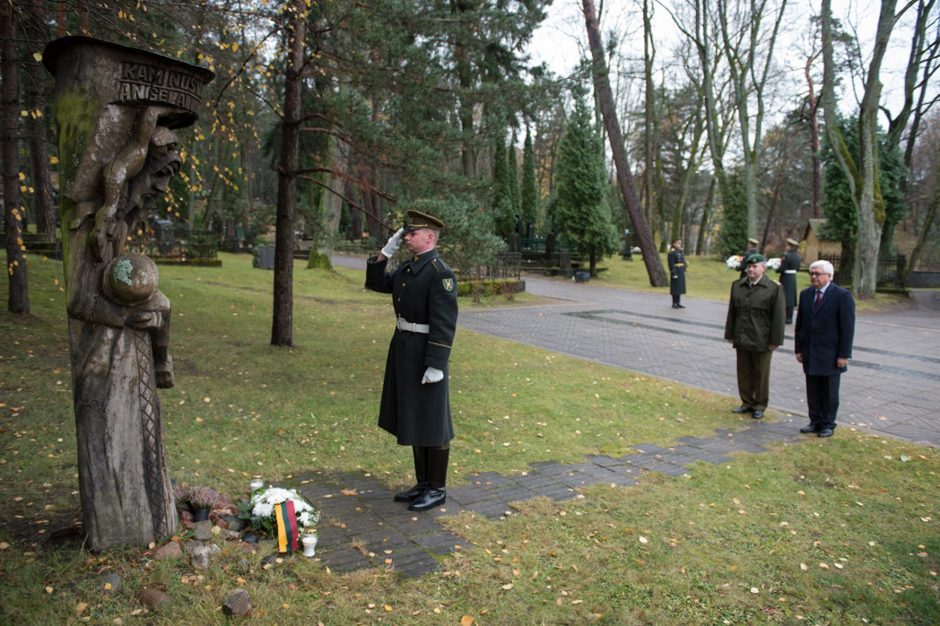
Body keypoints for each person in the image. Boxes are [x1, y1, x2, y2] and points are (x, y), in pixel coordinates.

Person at [365, 209, 458, 512]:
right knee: (415, 416)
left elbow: (445, 322)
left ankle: (438, 488)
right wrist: (385, 253)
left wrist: (436, 364)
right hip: (404, 350)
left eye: (411, 233)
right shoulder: (409, 270)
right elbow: (378, 284)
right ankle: (422, 483)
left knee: (432, 419)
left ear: (429, 237)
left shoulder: (439, 273)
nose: (405, 237)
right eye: (404, 234)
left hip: (425, 353)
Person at [794, 260, 855, 437]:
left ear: (829, 276)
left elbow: (847, 327)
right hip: (810, 351)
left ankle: (828, 423)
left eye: (817, 274)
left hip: (831, 353)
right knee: (812, 389)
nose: (813, 277)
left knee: (829, 392)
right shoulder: (806, 294)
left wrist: (844, 354)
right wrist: (799, 348)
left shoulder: (842, 295)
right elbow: (800, 324)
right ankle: (815, 420)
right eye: (811, 273)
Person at [724, 254, 786, 419]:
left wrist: (775, 340)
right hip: (742, 335)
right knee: (743, 372)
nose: (751, 269)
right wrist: (730, 333)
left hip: (762, 338)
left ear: (763, 268)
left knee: (761, 373)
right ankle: (746, 402)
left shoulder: (773, 288)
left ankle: (759, 404)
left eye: (755, 266)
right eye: (749, 267)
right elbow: (732, 312)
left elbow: (778, 317)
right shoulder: (738, 286)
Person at [776, 238, 802, 324]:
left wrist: (777, 269)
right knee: (791, 296)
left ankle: (784, 316)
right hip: (792, 277)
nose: (786, 247)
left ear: (790, 246)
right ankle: (789, 317)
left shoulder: (786, 256)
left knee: (784, 295)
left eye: (787, 245)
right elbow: (798, 268)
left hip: (786, 277)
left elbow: (782, 268)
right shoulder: (798, 256)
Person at [667, 238, 687, 309]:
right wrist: (673, 272)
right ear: (674, 244)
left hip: (680, 270)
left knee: (679, 287)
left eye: (680, 243)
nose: (679, 244)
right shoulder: (672, 252)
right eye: (678, 243)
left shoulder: (680, 251)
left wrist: (684, 269)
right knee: (675, 287)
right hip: (676, 270)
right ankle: (674, 303)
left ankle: (678, 302)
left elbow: (683, 261)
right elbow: (671, 263)